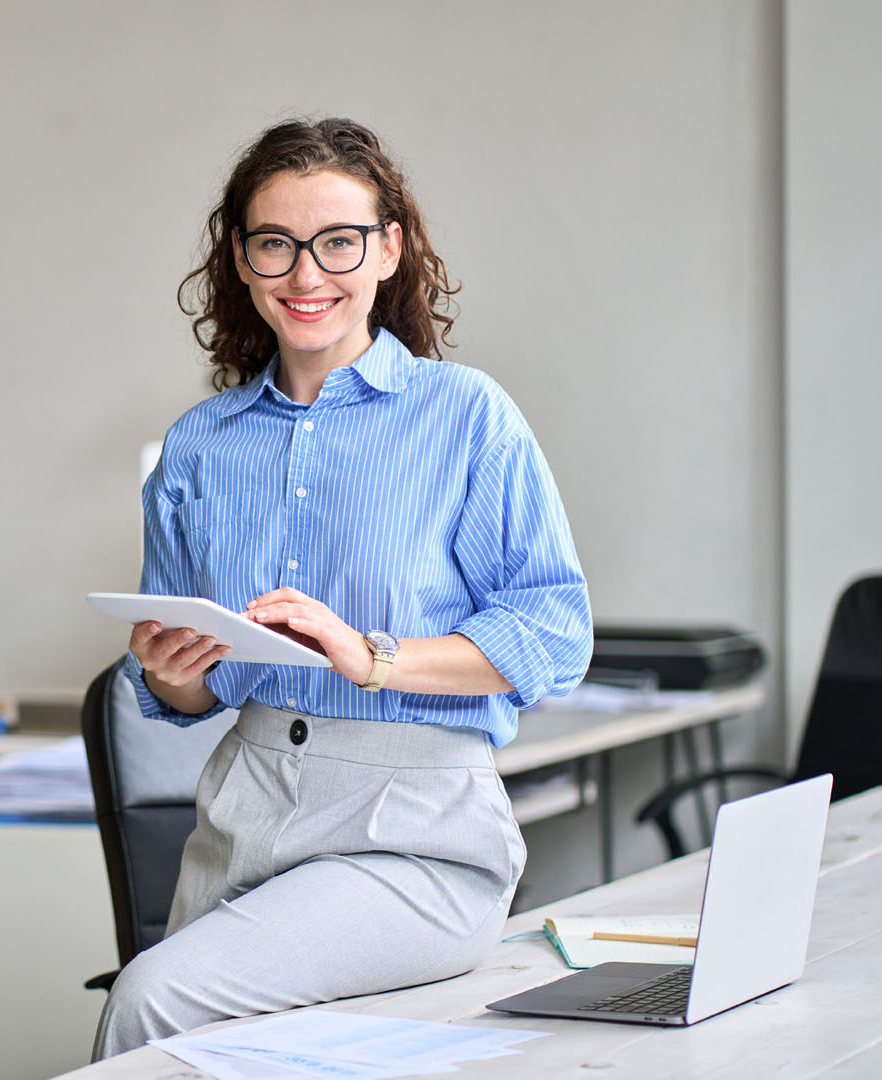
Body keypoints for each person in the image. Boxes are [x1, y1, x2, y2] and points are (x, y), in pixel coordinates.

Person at [93, 118, 594, 1059]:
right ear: (240, 261)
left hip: (413, 831)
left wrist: (373, 654)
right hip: (242, 814)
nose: (305, 273)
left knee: (150, 1004)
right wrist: (170, 676)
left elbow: (552, 632)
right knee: (203, 1054)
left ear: (388, 248)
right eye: (273, 244)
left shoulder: (465, 415)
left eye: (337, 241)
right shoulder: (199, 443)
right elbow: (193, 688)